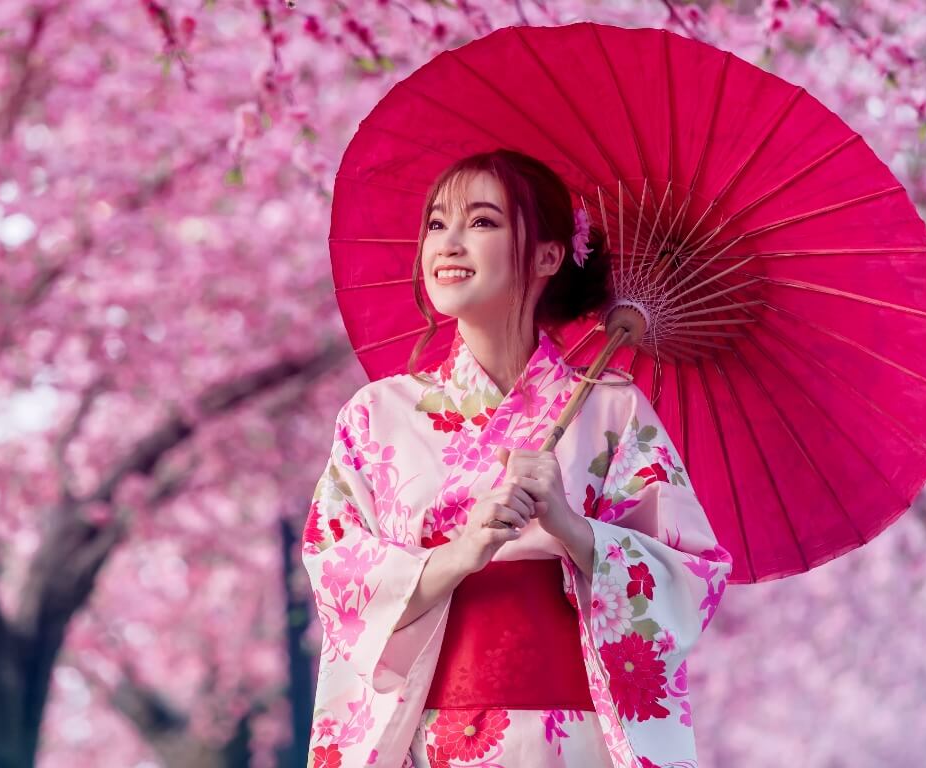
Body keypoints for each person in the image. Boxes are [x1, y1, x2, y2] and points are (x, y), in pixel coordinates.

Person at [301, 149, 734, 768]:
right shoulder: (377, 415)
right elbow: (336, 572)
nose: (447, 244)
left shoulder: (612, 410)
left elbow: (692, 573)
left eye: (480, 222)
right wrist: (458, 556)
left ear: (548, 256)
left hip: (577, 736)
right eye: (435, 224)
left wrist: (570, 525)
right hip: (430, 732)